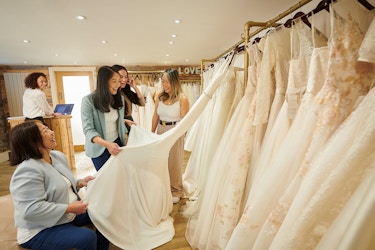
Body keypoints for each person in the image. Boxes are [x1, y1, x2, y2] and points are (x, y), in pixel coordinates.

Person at [9, 121, 109, 250]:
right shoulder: (28, 170)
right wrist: (69, 208)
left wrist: (79, 182)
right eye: (45, 131)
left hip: (65, 217)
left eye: (48, 128)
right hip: (39, 229)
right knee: (87, 237)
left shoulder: (56, 156)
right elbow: (30, 210)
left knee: (106, 211)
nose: (51, 132)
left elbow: (61, 181)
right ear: (33, 141)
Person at [152, 68, 189, 203]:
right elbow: (155, 115)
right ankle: (164, 187)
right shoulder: (159, 96)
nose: (165, 85)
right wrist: (152, 133)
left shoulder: (182, 99)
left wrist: (178, 135)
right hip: (161, 130)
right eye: (163, 82)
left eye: (167, 82)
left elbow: (185, 121)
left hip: (175, 131)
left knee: (174, 162)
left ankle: (176, 189)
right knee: (161, 160)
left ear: (174, 81)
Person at [81, 66, 127, 171]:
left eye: (119, 81)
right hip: (99, 147)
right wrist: (107, 145)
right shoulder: (88, 101)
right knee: (105, 180)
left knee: (119, 178)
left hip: (117, 144)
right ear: (104, 82)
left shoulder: (120, 99)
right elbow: (88, 130)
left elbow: (118, 122)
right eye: (114, 81)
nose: (118, 85)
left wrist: (126, 137)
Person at [112, 64, 145, 133]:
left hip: (129, 122)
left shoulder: (125, 92)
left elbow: (142, 103)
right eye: (121, 77)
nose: (124, 80)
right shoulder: (112, 94)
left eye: (126, 77)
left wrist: (135, 87)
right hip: (118, 125)